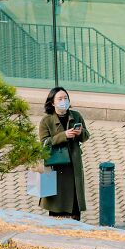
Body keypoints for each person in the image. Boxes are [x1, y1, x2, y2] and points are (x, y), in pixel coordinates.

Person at [38, 87, 90, 221]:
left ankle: (75, 225)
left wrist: (80, 133)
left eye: (65, 98)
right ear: (52, 103)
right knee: (57, 202)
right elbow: (44, 143)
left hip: (73, 165)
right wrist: (63, 135)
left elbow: (85, 136)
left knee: (74, 201)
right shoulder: (46, 121)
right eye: (60, 99)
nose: (63, 101)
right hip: (55, 166)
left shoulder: (76, 115)